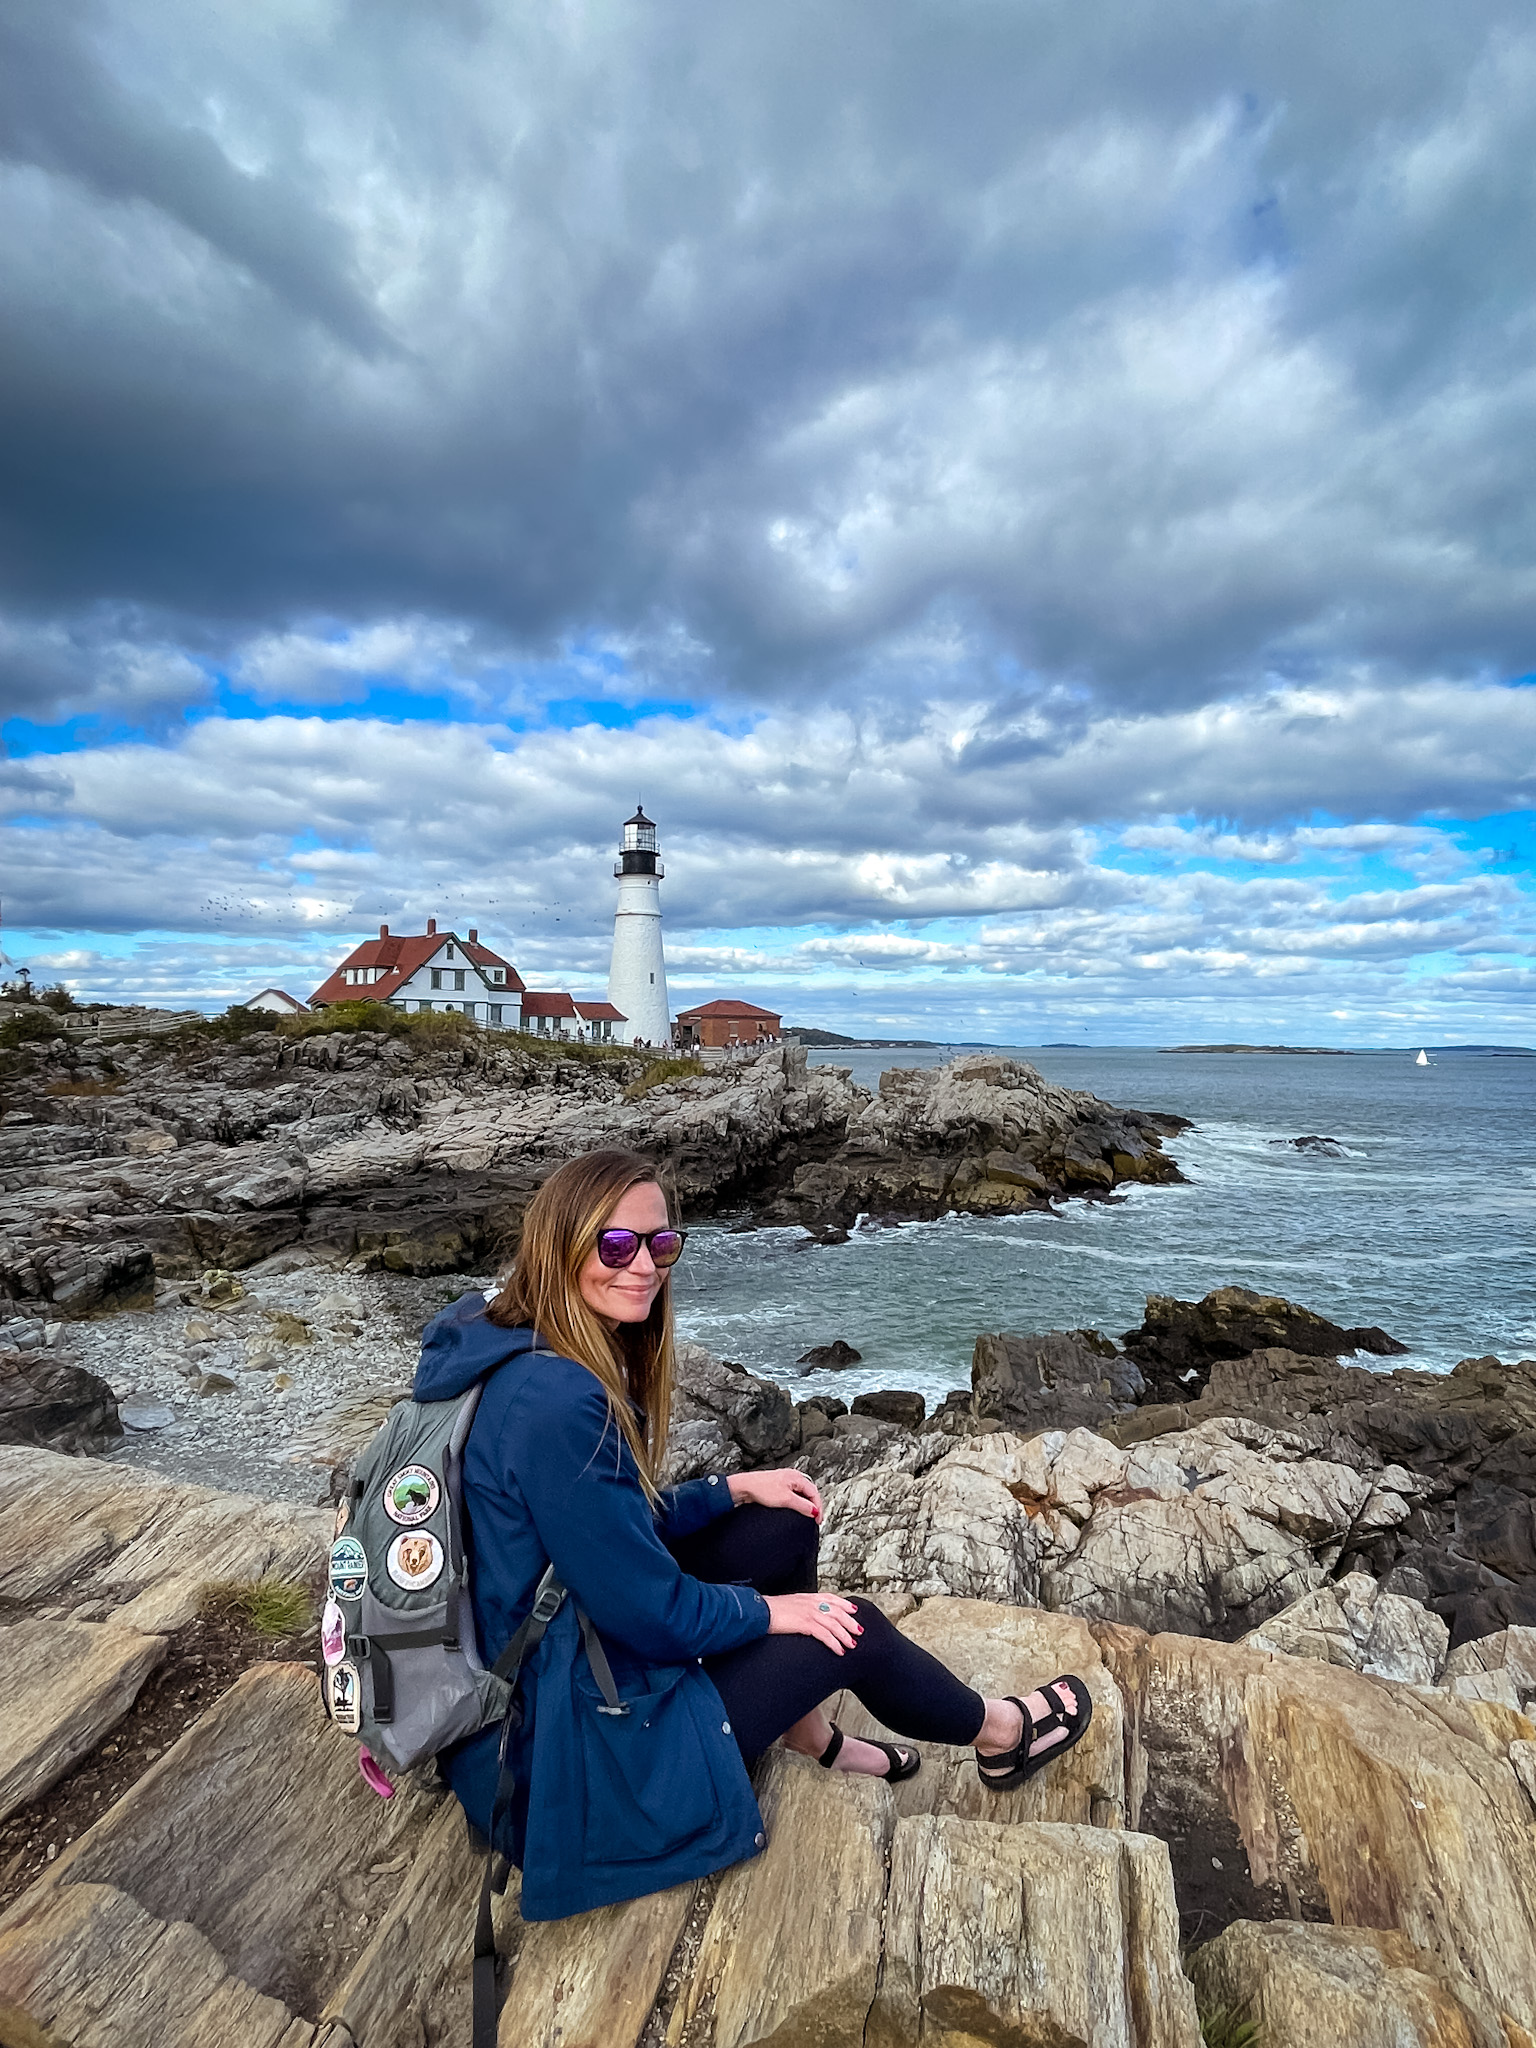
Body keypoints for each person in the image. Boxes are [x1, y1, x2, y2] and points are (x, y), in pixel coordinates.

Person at [413, 1147, 1091, 1920]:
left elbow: (594, 1532)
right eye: (614, 1246)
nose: (643, 1266)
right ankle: (1004, 1735)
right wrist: (776, 1615)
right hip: (566, 1762)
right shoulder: (557, 1401)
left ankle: (801, 1728)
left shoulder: (508, 1341)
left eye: (661, 1244)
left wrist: (728, 1488)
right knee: (851, 1629)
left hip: (556, 1655)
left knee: (780, 1522)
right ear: (559, 1244)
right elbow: (651, 1613)